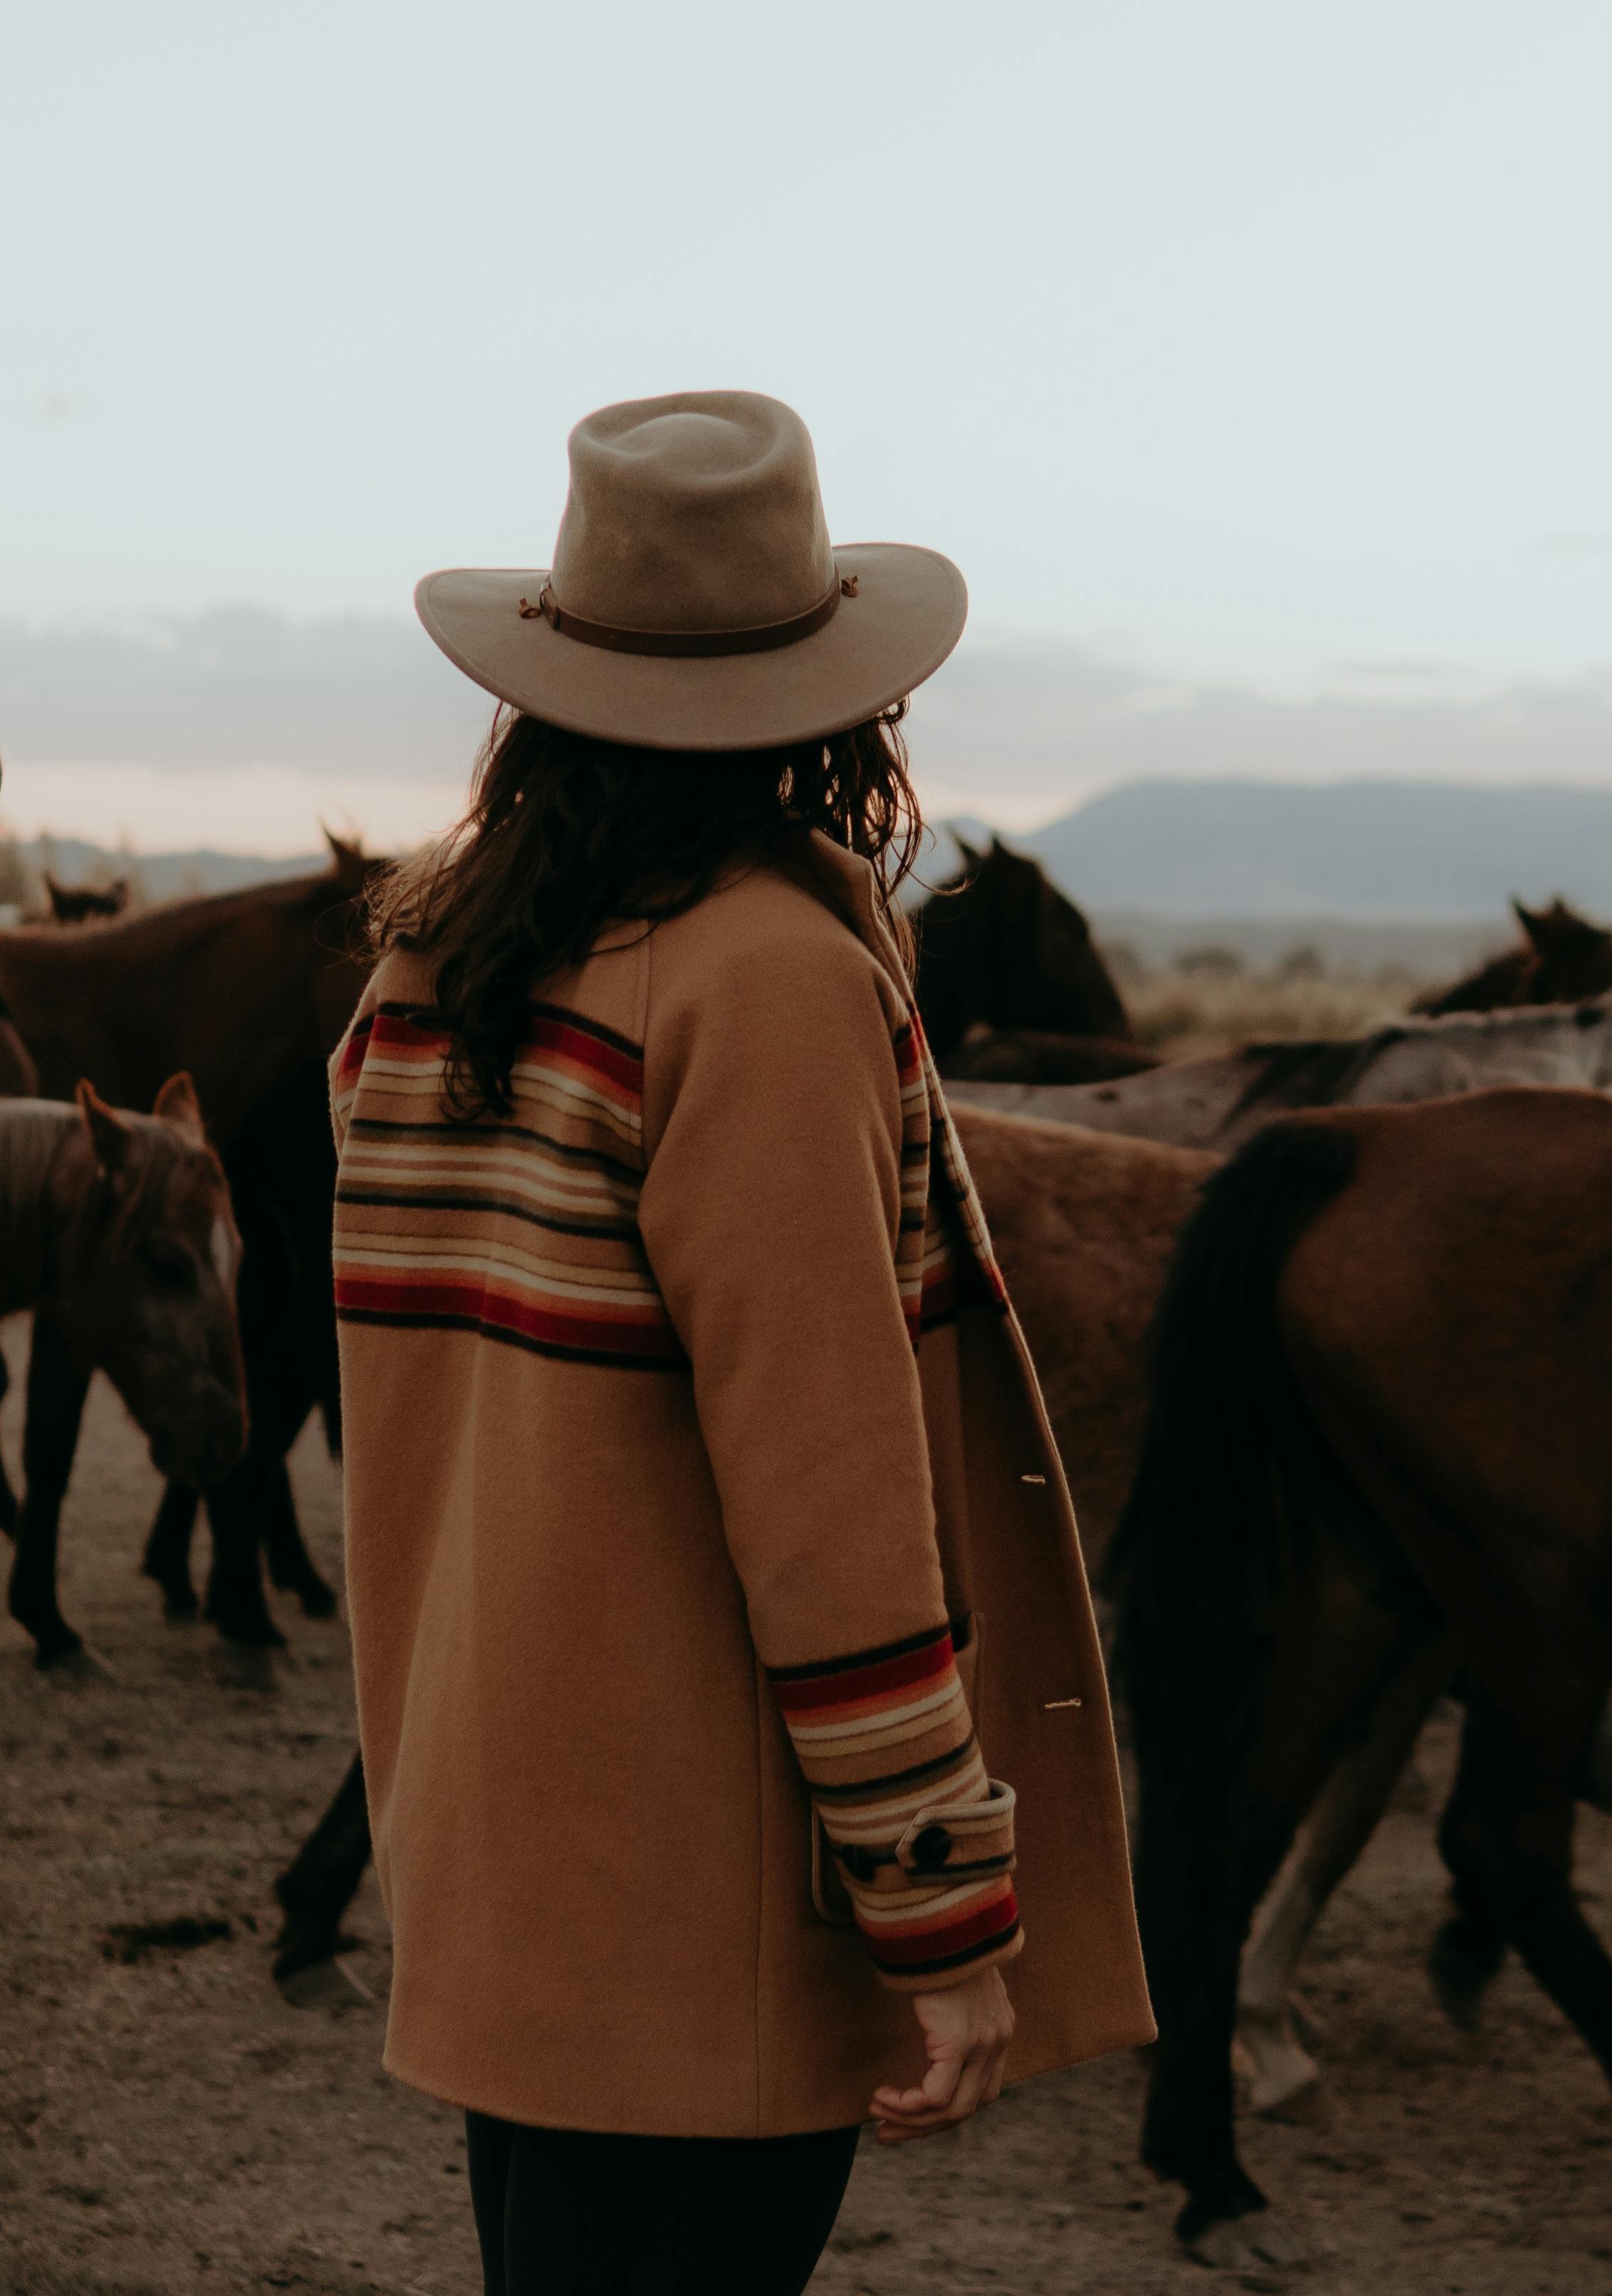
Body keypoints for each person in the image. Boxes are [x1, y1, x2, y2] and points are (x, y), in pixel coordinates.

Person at [330, 391, 1150, 2293]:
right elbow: (828, 1508)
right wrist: (939, 1909)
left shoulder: (441, 976)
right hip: (698, 1896)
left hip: (508, 1849)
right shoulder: (765, 981)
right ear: (847, 699)